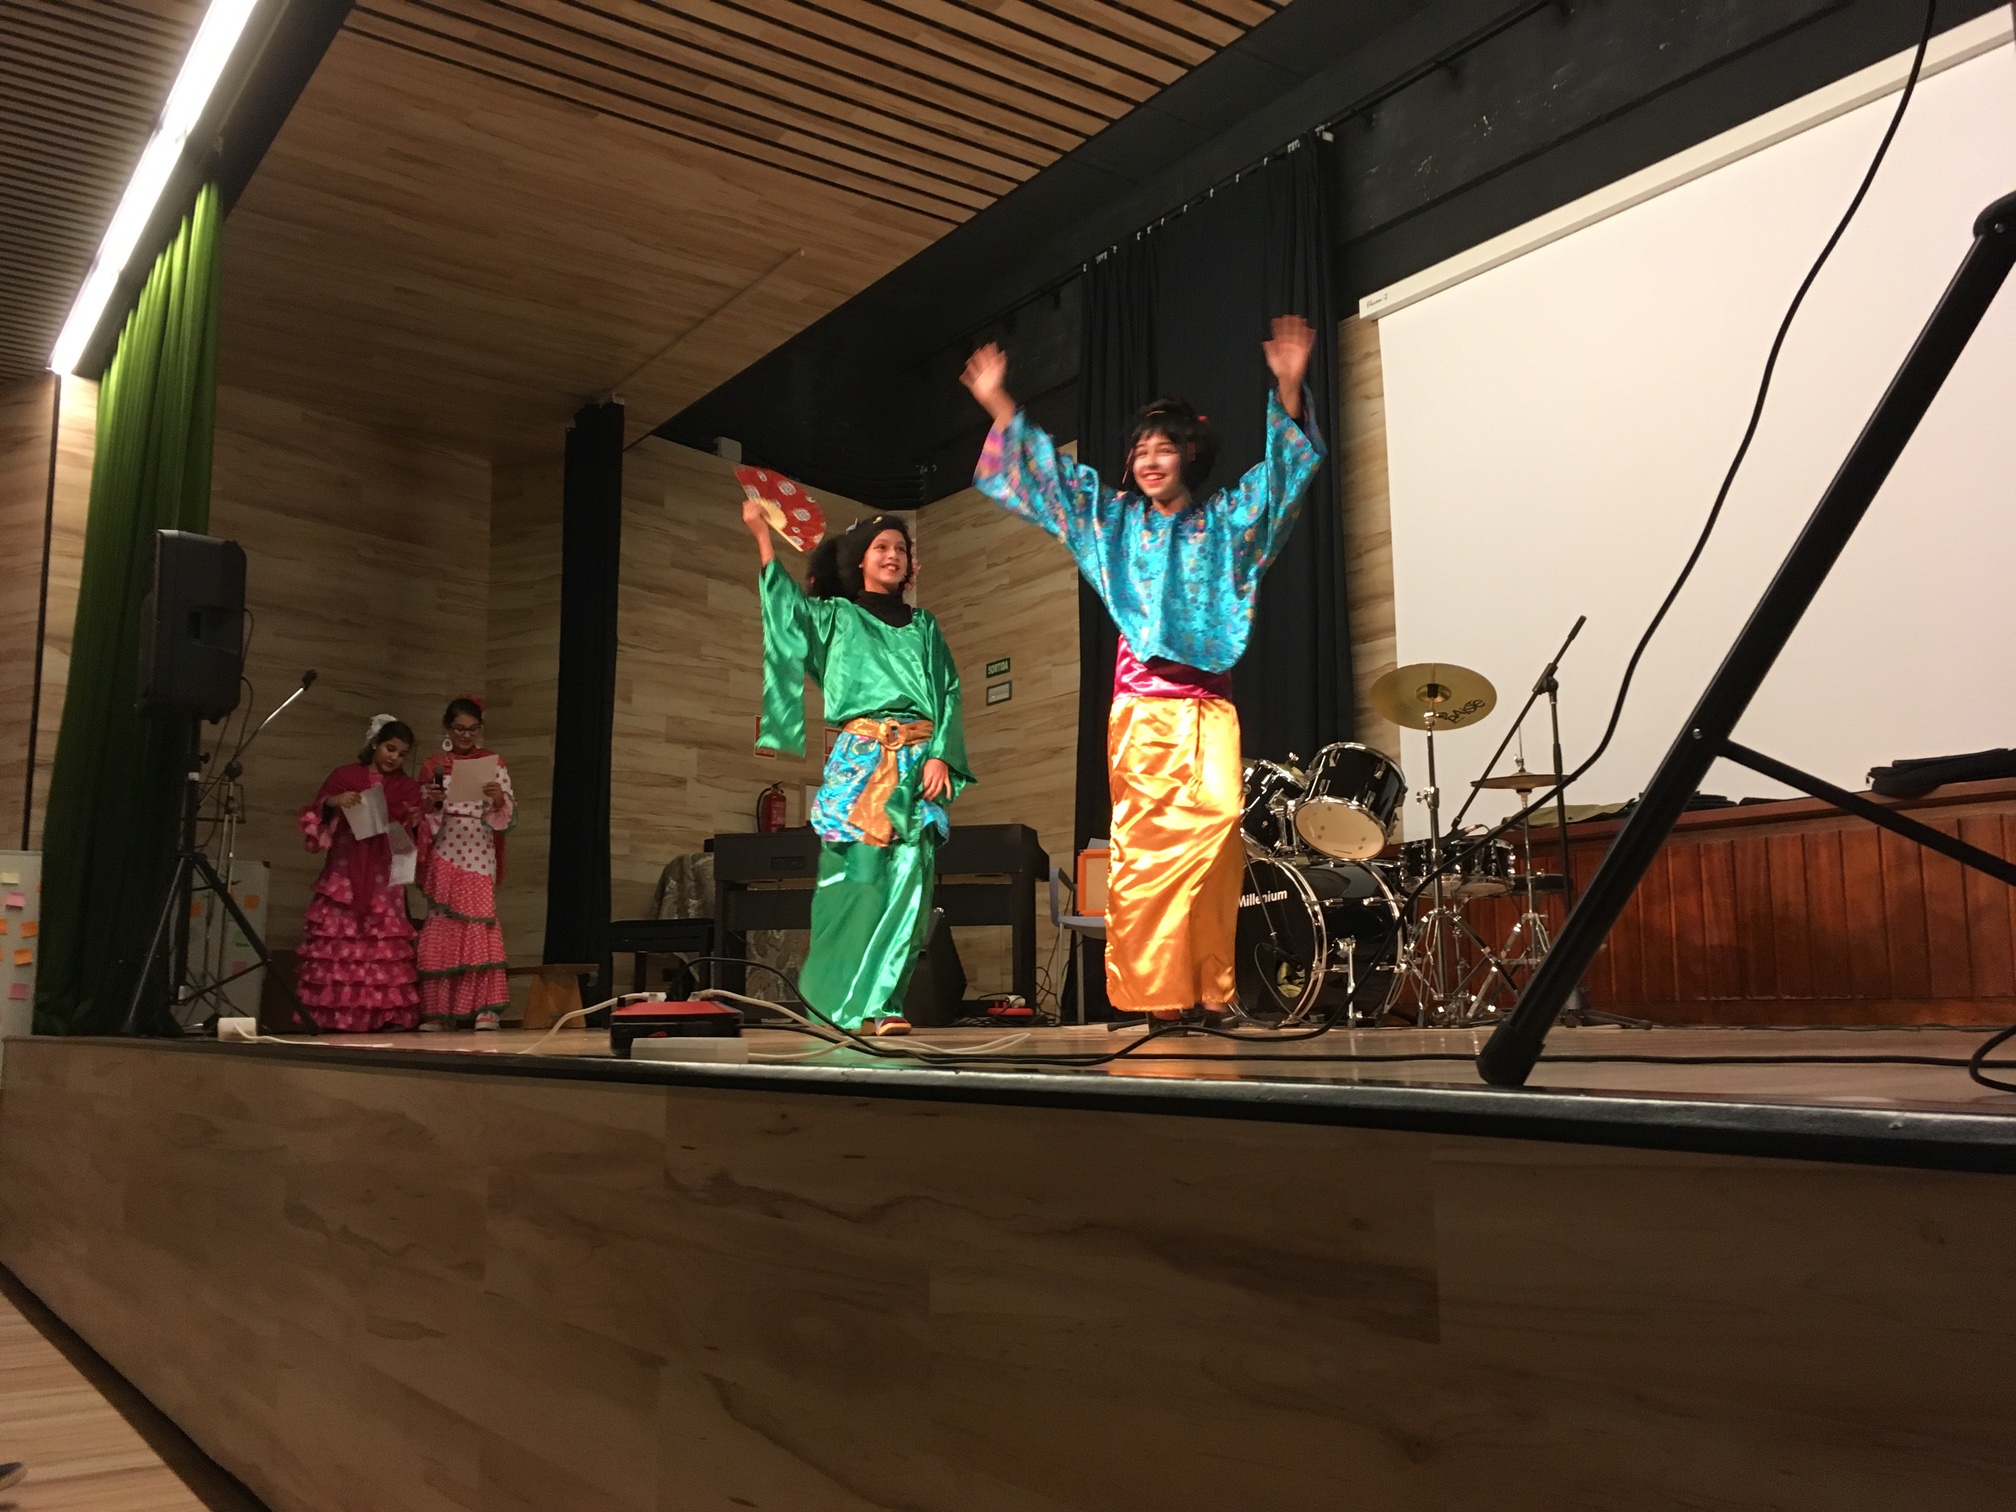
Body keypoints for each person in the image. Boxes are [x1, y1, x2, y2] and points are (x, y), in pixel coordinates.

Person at [963, 316, 1323, 1022]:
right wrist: (1000, 402)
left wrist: (1287, 385)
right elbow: (1055, 484)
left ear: (1189, 456)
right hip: (1145, 711)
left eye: (1164, 449)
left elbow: (1281, 482)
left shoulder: (1226, 523)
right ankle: (1160, 996)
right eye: (1141, 451)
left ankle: (1210, 987)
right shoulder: (1116, 522)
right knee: (1151, 851)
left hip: (1210, 711)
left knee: (1215, 846)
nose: (1151, 460)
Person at [747, 505, 972, 1035]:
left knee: (910, 887)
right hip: (862, 762)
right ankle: (838, 1003)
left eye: (901, 549)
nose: (893, 556)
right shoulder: (836, 617)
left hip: (916, 764)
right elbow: (786, 613)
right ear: (860, 561)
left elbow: (948, 691)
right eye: (882, 548)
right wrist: (762, 536)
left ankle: (882, 1007)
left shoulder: (924, 625)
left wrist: (941, 753)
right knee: (857, 882)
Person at [296, 716, 425, 1033]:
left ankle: (384, 1016)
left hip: (383, 874)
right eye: (389, 748)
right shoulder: (346, 776)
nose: (394, 758)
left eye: (402, 753)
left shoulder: (406, 788)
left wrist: (412, 819)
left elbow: (416, 835)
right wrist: (335, 801)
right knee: (341, 941)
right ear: (375, 744)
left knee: (381, 943)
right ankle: (333, 1016)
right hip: (345, 870)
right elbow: (317, 810)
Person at [416, 697, 514, 1031]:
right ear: (447, 728)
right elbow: (420, 816)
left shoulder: (493, 761)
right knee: (443, 923)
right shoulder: (434, 764)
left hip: (479, 848)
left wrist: (498, 798)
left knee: (478, 922)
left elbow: (506, 810)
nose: (466, 735)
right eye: (459, 729)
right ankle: (439, 1011)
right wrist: (432, 802)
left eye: (473, 729)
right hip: (446, 844)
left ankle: (484, 1009)